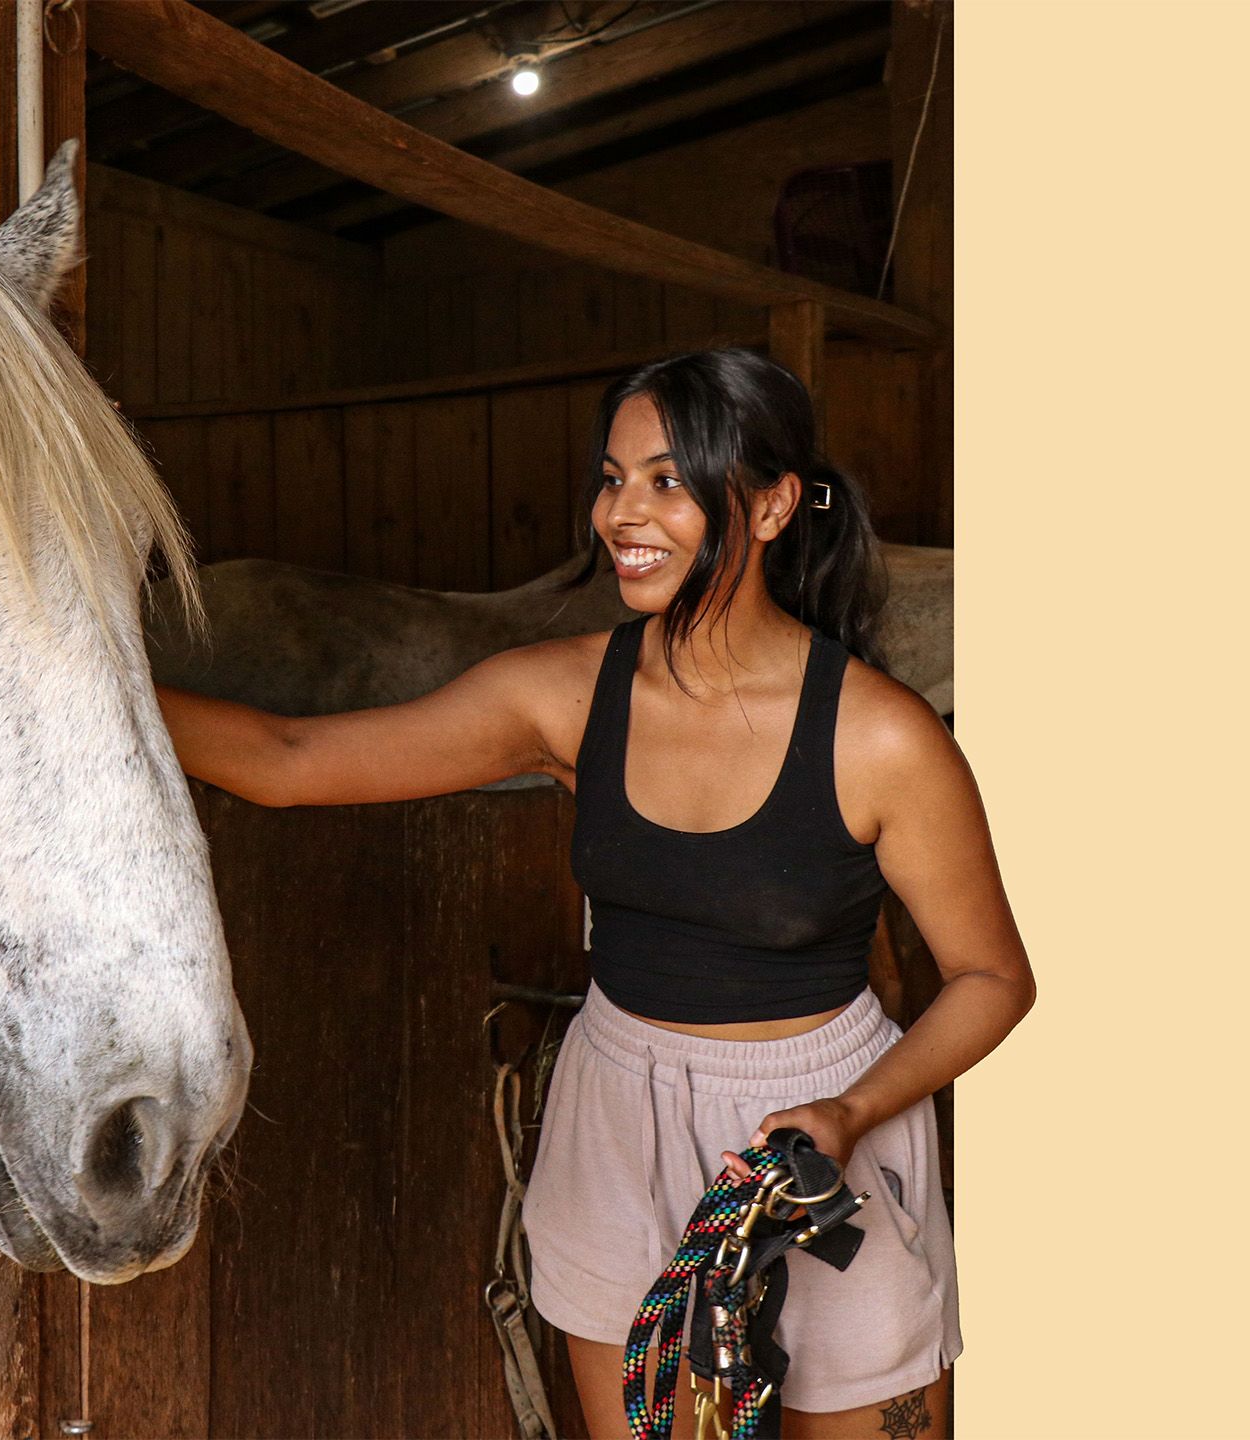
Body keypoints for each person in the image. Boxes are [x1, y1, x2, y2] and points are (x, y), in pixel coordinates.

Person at [155, 347, 1035, 1440]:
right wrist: (80, 671)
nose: (623, 511)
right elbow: (285, 758)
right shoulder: (563, 695)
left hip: (817, 1135)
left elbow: (992, 976)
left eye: (667, 480)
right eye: (611, 478)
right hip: (620, 1111)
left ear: (766, 505)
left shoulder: (881, 739)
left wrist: (851, 1111)